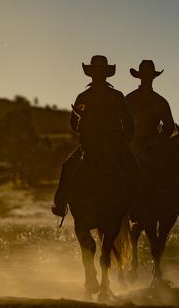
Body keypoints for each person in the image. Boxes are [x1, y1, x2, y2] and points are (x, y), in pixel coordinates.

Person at [51, 55, 143, 219]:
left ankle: (137, 206)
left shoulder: (96, 96)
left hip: (107, 143)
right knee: (68, 166)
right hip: (94, 143)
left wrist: (122, 141)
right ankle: (61, 204)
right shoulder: (93, 96)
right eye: (96, 71)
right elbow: (128, 123)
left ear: (104, 74)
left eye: (100, 71)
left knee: (134, 168)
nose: (98, 74)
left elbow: (74, 124)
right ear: (93, 74)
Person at [125, 60, 175, 156]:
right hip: (131, 144)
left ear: (153, 77)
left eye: (148, 75)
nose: (147, 78)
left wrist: (157, 141)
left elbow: (170, 127)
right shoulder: (129, 99)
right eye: (145, 75)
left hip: (152, 147)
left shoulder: (160, 101)